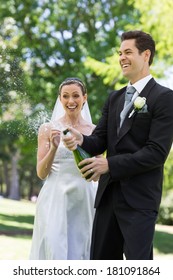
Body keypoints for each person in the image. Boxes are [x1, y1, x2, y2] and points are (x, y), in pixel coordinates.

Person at [62, 30, 173, 260]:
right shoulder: (114, 98)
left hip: (140, 200)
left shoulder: (164, 98)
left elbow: (156, 153)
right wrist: (79, 139)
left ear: (146, 55)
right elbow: (99, 141)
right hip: (107, 197)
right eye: (119, 53)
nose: (121, 57)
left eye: (128, 52)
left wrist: (109, 165)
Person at [29, 77, 98, 260]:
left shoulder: (94, 131)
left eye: (76, 96)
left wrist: (78, 150)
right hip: (54, 198)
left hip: (84, 199)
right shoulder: (47, 129)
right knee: (54, 246)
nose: (71, 101)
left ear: (85, 98)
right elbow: (41, 173)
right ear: (60, 99)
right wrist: (53, 147)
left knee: (81, 248)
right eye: (65, 96)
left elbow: (97, 176)